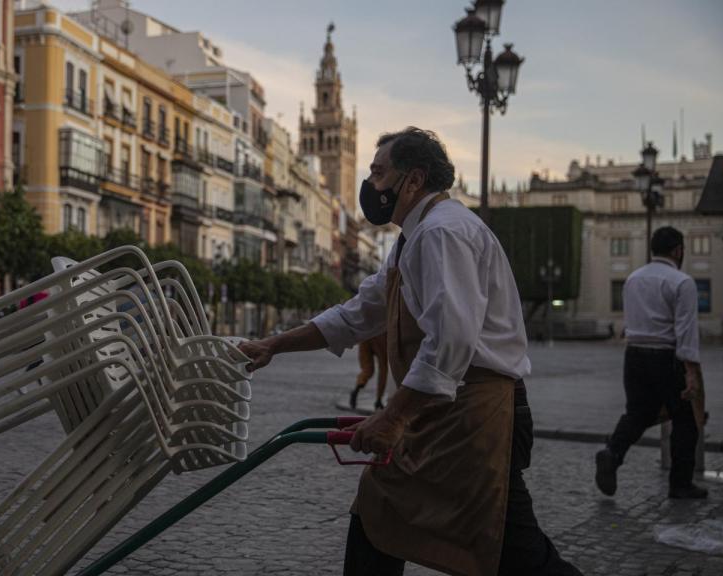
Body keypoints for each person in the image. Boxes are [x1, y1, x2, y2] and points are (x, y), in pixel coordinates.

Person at [239, 127, 581, 576]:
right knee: (377, 512)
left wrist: (393, 416)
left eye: (379, 174)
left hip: (479, 416)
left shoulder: (443, 233)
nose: (371, 186)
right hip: (447, 413)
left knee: (512, 551)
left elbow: (451, 341)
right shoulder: (413, 239)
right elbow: (360, 312)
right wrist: (273, 345)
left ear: (413, 180)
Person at [596, 226, 706, 500]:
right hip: (666, 357)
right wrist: (691, 371)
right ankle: (680, 484)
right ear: (678, 250)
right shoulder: (682, 282)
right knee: (685, 420)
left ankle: (612, 453)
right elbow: (686, 330)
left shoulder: (633, 279)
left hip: (634, 355)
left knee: (637, 414)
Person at [350, 334, 388, 410]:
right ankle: (379, 399)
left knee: (367, 369)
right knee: (383, 368)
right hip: (381, 334)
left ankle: (357, 388)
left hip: (366, 335)